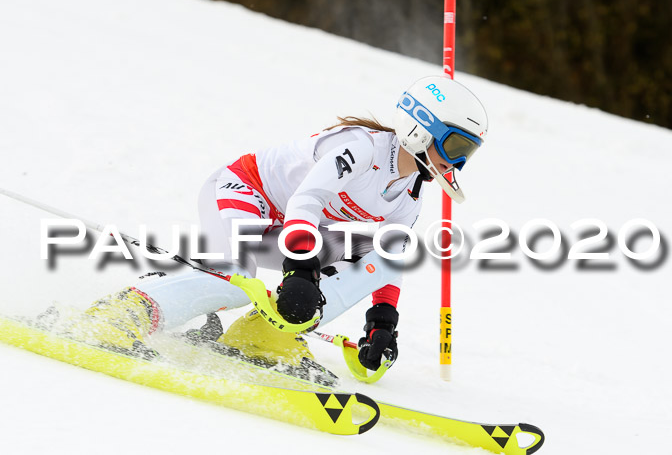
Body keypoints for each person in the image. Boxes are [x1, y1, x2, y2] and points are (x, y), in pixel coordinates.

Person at [78, 76, 488, 371]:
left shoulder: (410, 192)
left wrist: (382, 321)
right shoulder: (361, 148)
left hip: (287, 230)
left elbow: (388, 257)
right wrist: (302, 269)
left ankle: (264, 335)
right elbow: (306, 200)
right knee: (235, 280)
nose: (456, 163)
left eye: (467, 154)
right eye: (454, 146)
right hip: (243, 191)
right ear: (422, 128)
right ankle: (123, 313)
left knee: (391, 252)